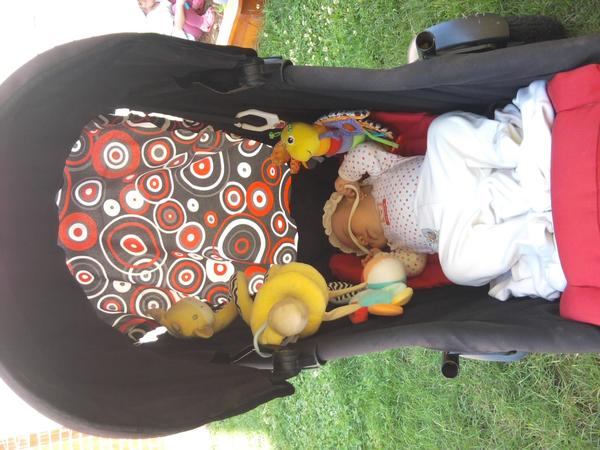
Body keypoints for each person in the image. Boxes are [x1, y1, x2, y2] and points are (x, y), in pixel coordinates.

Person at [322, 80, 567, 301]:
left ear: (354, 194)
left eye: (351, 230)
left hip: (448, 175)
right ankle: (529, 231)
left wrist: (345, 176)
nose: (362, 240)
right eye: (359, 245)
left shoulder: (379, 176)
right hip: (459, 225)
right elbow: (415, 265)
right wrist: (384, 261)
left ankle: (514, 147)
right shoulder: (397, 246)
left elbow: (363, 153)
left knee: (441, 131)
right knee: (456, 269)